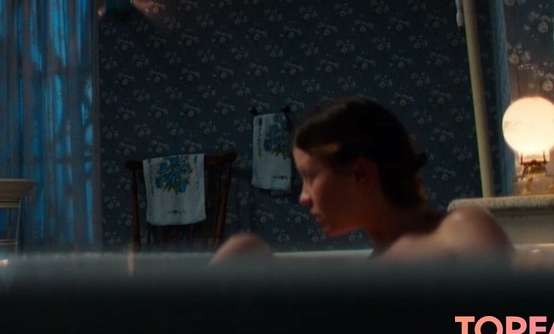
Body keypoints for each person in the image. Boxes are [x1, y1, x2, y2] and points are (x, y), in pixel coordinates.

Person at [210, 96, 512, 265]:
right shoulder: (374, 267)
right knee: (244, 251)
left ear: (362, 173)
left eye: (310, 176)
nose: (303, 197)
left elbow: (514, 327)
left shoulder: (459, 228)